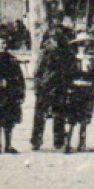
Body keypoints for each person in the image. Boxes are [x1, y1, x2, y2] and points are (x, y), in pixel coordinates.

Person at [30, 22, 74, 150]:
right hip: (45, 87)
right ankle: (36, 140)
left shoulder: (67, 54)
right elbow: (38, 71)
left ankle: (58, 140)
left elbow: (71, 70)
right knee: (40, 115)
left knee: (59, 114)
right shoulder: (45, 54)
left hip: (59, 86)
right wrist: (39, 85)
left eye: (56, 39)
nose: (53, 41)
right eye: (51, 39)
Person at [59, 35, 94, 153]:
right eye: (81, 45)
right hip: (75, 91)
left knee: (85, 118)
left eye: (86, 45)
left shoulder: (91, 61)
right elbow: (66, 76)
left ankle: (82, 143)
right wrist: (68, 88)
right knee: (71, 118)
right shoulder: (72, 61)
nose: (84, 48)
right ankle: (67, 143)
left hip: (87, 91)